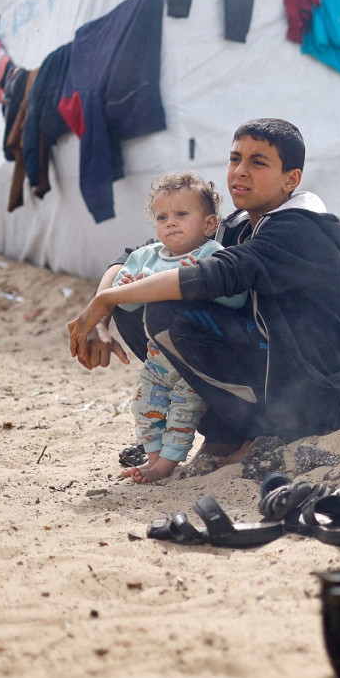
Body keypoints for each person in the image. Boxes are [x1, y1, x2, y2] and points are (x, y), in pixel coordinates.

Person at [69, 118, 340, 469]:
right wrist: (103, 312)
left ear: (291, 179)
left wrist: (105, 300)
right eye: (235, 159)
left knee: (165, 310)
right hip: (269, 368)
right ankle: (225, 432)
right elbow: (136, 255)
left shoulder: (298, 229)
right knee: (138, 299)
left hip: (305, 394)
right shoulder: (239, 223)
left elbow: (213, 275)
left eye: (258, 162)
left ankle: (259, 431)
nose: (240, 171)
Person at [112, 172, 247, 483]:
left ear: (209, 223)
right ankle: (154, 458)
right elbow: (126, 304)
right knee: (144, 406)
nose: (170, 222)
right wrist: (130, 288)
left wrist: (202, 282)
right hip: (158, 359)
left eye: (182, 214)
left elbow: (237, 299)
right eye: (162, 216)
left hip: (194, 359)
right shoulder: (145, 257)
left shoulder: (211, 255)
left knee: (182, 411)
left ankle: (165, 466)